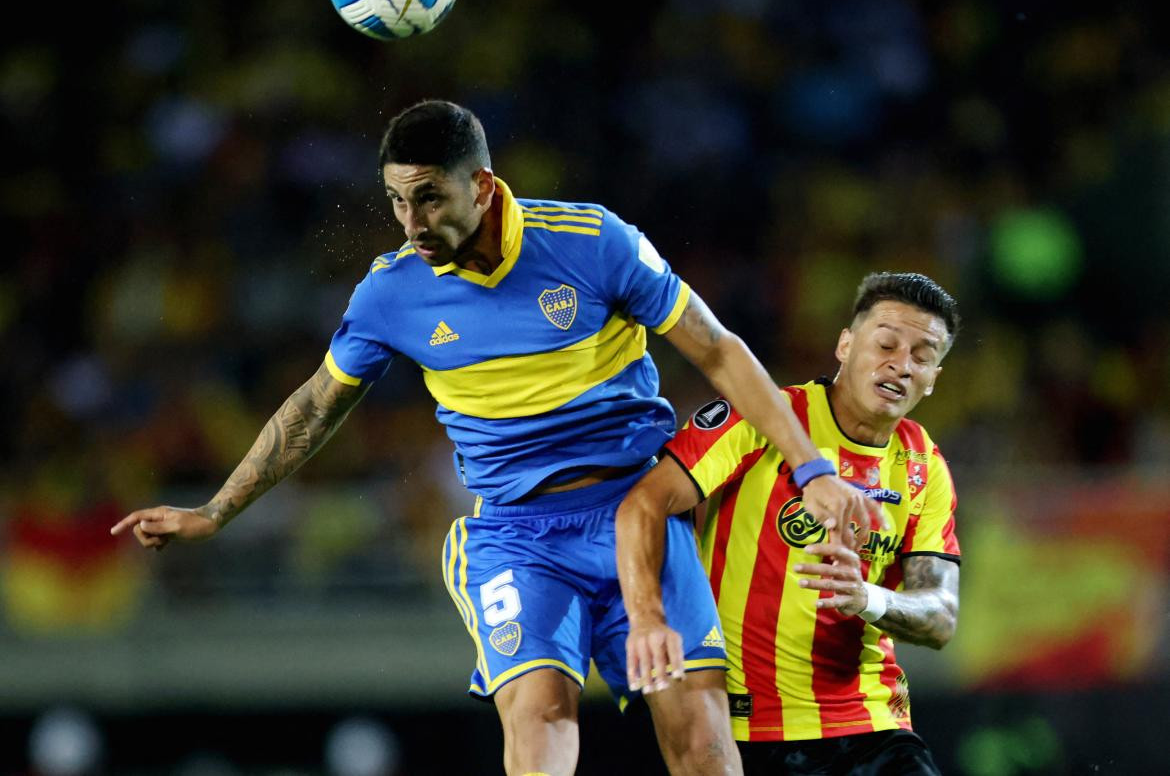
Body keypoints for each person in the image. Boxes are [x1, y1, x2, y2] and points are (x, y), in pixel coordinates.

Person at [111, 100, 879, 776]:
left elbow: (716, 349)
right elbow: (317, 405)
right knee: (540, 719)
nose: (412, 224)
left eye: (428, 198)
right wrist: (217, 510)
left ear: (480, 185)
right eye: (395, 202)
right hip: (517, 538)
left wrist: (811, 466)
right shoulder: (391, 292)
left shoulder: (593, 242)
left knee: (705, 745)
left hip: (638, 513)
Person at [617, 271, 961, 776]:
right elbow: (645, 503)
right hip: (747, 727)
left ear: (933, 379)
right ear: (845, 344)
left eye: (922, 357)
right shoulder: (766, 415)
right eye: (886, 343)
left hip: (869, 724)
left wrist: (867, 597)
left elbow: (941, 617)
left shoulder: (924, 465)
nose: (901, 365)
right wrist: (646, 618)